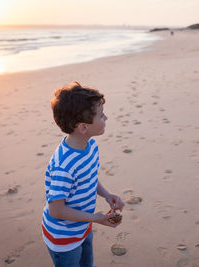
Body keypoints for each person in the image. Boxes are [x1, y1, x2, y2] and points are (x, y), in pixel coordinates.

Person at [42, 81, 124, 267]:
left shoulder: (90, 146)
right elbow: (56, 210)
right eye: (101, 116)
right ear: (83, 127)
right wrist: (96, 218)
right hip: (63, 238)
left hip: (83, 225)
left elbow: (89, 179)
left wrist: (106, 195)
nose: (106, 118)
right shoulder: (64, 165)